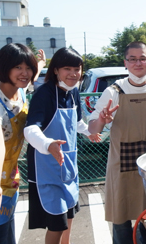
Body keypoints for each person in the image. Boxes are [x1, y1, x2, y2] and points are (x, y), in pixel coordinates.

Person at [88, 41, 146, 244]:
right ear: (125, 62)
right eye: (132, 59)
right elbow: (93, 129)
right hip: (121, 166)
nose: (138, 63)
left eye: (142, 58)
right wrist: (102, 119)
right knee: (121, 219)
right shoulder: (113, 91)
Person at [23, 47, 101, 244]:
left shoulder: (73, 91)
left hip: (68, 167)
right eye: (67, 69)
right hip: (46, 169)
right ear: (56, 70)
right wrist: (48, 144)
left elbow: (76, 123)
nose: (74, 74)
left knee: (69, 216)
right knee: (56, 225)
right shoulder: (45, 93)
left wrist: (89, 132)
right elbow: (30, 129)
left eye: (77, 69)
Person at [0, 43, 45, 244]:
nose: (25, 73)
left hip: (10, 176)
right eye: (18, 67)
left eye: (28, 67)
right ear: (5, 68)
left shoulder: (20, 90)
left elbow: (31, 77)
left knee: (9, 232)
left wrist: (40, 63)